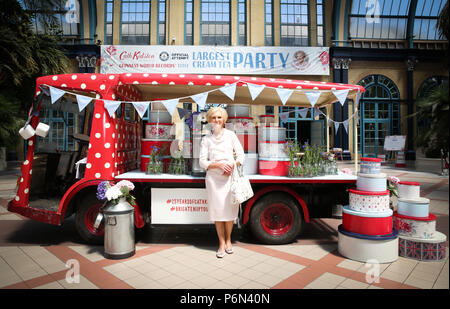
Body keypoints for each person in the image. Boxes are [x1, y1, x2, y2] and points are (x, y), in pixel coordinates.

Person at [199, 107, 245, 258]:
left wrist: (231, 165)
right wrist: (218, 165)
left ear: (224, 120)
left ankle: (229, 240)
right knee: (218, 212)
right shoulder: (206, 139)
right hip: (213, 179)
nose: (217, 120)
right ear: (209, 120)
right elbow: (202, 162)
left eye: (219, 117)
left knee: (230, 212)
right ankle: (221, 242)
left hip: (230, 179)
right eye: (213, 117)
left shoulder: (231, 135)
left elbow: (241, 156)